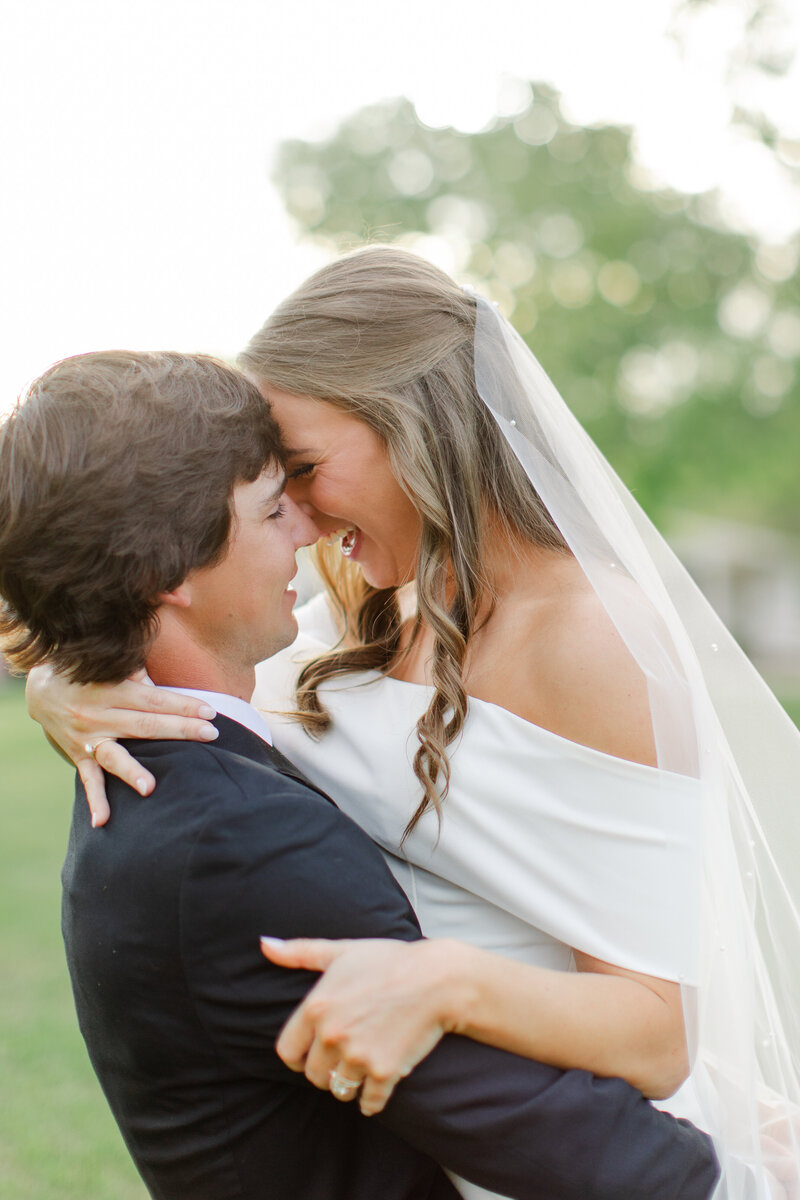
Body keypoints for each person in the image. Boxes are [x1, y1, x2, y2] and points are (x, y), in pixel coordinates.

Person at [25, 248, 800, 1197]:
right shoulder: (367, 603)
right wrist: (65, 681)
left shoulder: (591, 641)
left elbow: (659, 1031)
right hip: (449, 1139)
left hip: (593, 1152)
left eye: (303, 470)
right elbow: (184, 642)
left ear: (413, 428)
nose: (299, 518)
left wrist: (443, 981)